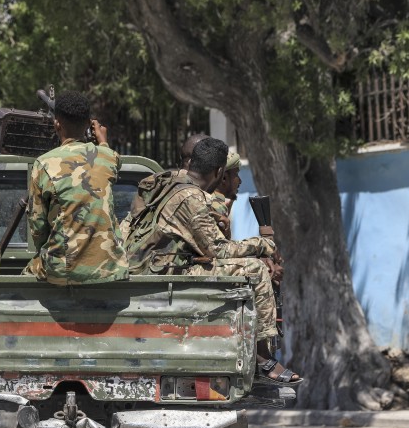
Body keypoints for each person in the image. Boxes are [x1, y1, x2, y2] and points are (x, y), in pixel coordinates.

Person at [121, 137, 301, 386]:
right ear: (219, 172)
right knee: (255, 269)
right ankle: (263, 358)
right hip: (163, 271)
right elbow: (220, 251)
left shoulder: (172, 183)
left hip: (150, 267)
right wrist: (263, 244)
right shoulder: (191, 198)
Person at [23, 90, 129, 284]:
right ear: (90, 125)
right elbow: (112, 158)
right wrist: (103, 142)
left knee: (27, 275)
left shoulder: (43, 164)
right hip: (111, 270)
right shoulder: (107, 157)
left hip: (62, 272)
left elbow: (37, 227)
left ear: (56, 124)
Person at [208, 149, 241, 239]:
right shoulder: (216, 205)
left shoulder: (207, 198)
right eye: (236, 175)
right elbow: (222, 251)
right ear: (224, 178)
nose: (240, 181)